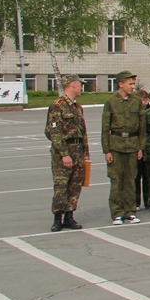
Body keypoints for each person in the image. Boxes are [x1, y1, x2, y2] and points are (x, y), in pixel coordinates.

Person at [45, 73, 89, 232]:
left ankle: (69, 216)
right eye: (80, 84)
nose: (81, 87)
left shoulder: (78, 107)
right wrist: (64, 154)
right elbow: (53, 132)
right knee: (61, 185)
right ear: (72, 85)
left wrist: (85, 154)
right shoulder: (58, 105)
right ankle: (57, 217)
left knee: (75, 185)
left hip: (77, 150)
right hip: (63, 151)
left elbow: (83, 132)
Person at [102, 70, 145, 225]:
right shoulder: (110, 102)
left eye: (133, 84)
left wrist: (140, 146)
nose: (133, 87)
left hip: (132, 145)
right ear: (120, 84)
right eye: (130, 84)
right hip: (116, 145)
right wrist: (106, 150)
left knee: (130, 179)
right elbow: (105, 127)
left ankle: (130, 211)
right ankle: (117, 212)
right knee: (116, 179)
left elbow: (141, 126)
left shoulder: (136, 101)